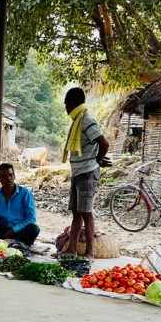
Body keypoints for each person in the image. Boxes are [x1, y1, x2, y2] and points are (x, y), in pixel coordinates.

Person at [61, 87, 109, 259]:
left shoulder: (86, 119)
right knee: (76, 212)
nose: (66, 108)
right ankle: (71, 249)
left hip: (87, 172)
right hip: (78, 172)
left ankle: (90, 252)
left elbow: (104, 143)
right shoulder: (78, 120)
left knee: (86, 213)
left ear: (71, 103)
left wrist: (98, 159)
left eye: (66, 104)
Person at [0, 164, 39, 245]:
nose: (9, 179)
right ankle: (4, 242)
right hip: (1, 231)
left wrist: (14, 230)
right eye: (4, 176)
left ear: (14, 176)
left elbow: (31, 218)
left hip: (19, 231)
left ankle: (5, 242)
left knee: (34, 229)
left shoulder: (25, 193)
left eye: (11, 175)